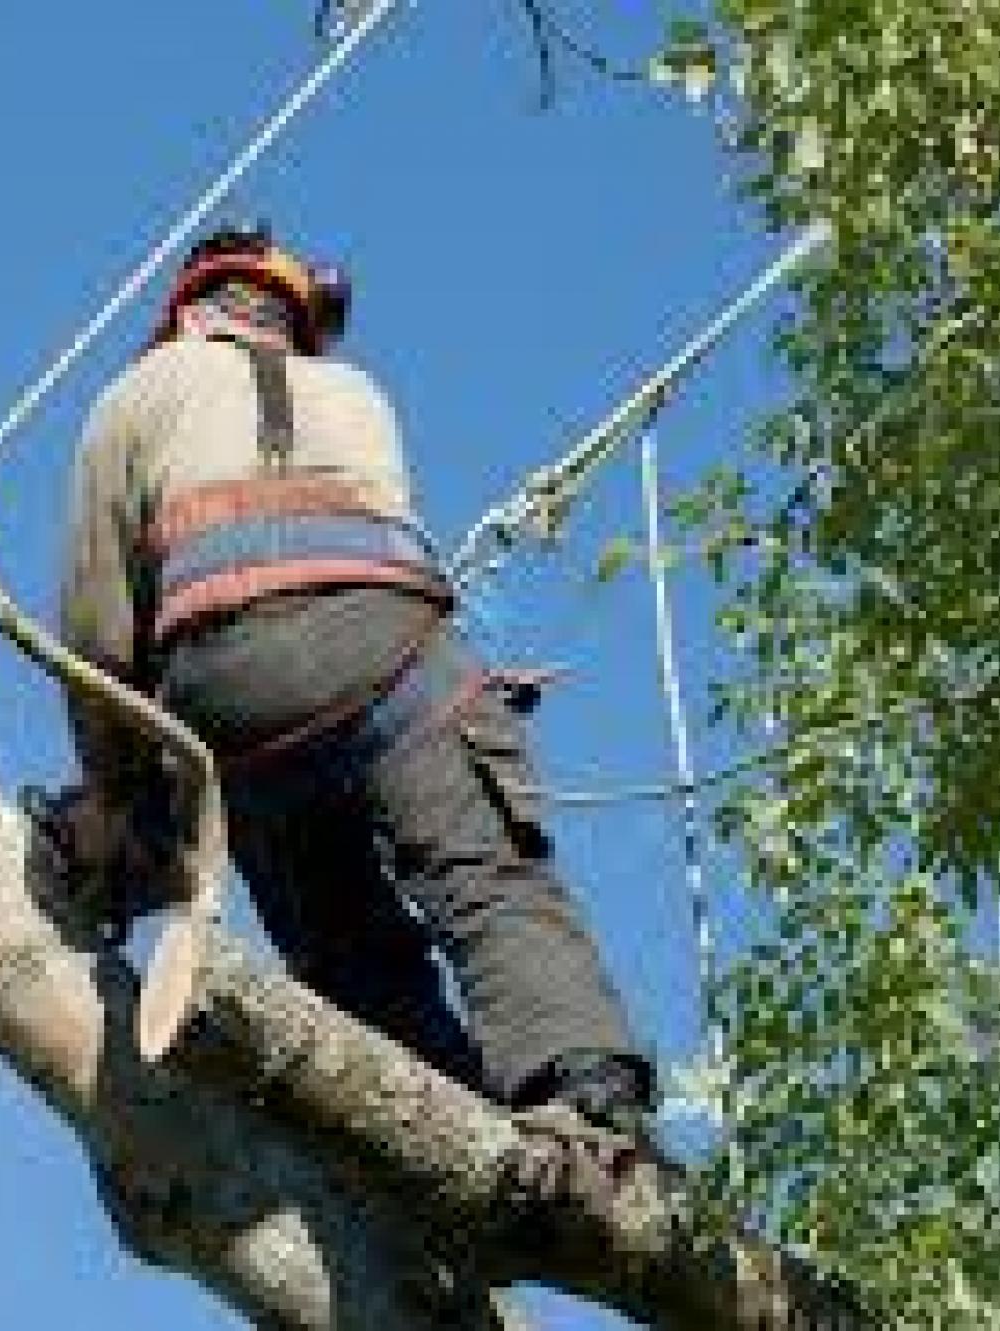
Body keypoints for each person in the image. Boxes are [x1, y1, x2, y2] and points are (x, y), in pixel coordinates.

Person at [53, 224, 656, 1137]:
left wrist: (113, 796)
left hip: (230, 693)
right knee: (486, 877)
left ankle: (432, 1134)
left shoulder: (133, 397)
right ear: (291, 317)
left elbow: (100, 639)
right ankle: (584, 1100)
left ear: (187, 312)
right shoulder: (354, 389)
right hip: (396, 656)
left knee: (344, 946)